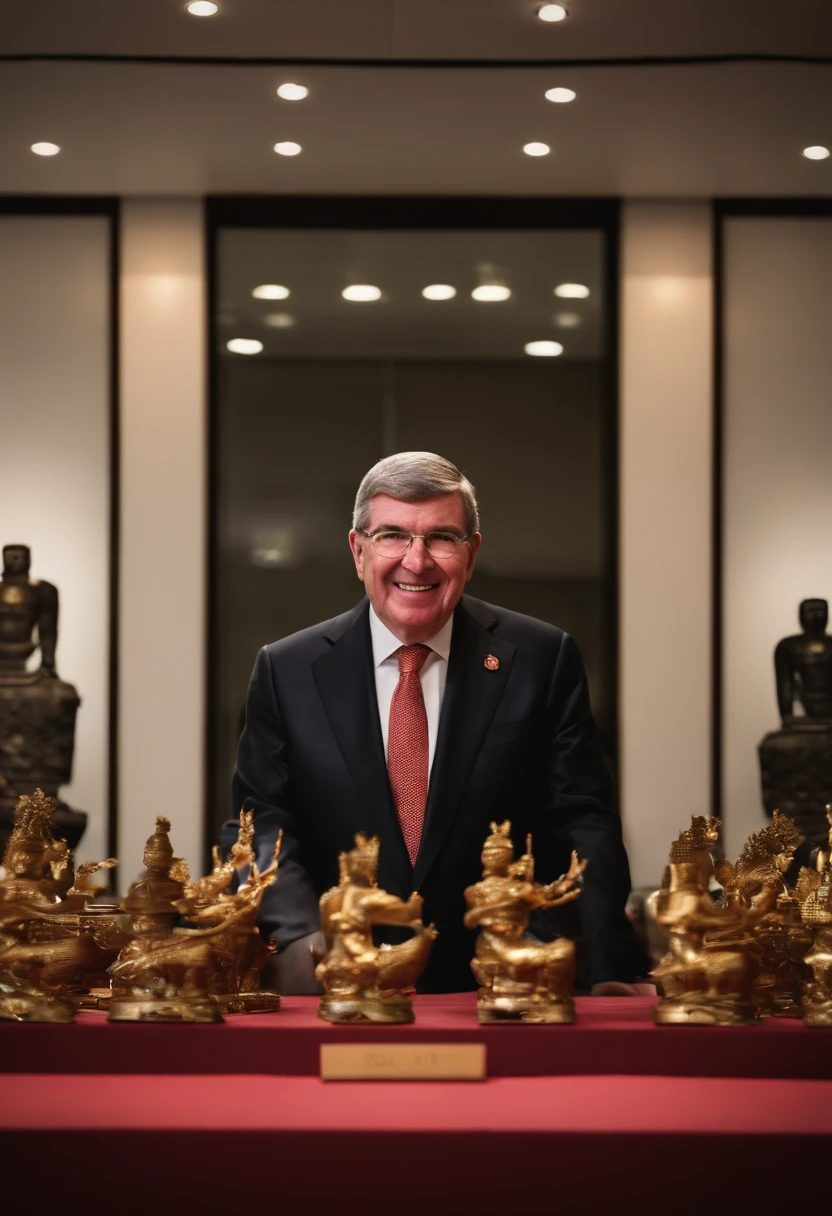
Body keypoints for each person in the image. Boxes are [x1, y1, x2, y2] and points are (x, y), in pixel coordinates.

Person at [232, 452, 651, 994]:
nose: (417, 560)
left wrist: (582, 958)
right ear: (359, 551)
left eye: (441, 538)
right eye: (393, 535)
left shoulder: (541, 659)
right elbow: (262, 823)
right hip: (339, 984)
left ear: (471, 554)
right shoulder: (286, 670)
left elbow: (581, 823)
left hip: (507, 987)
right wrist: (299, 939)